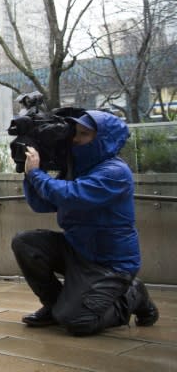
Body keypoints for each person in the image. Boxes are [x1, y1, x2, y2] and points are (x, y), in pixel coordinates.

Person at [12, 110, 159, 336]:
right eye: (75, 133)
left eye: (84, 134)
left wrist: (36, 176)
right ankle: (53, 305)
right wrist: (30, 170)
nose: (75, 139)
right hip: (77, 250)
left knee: (77, 321)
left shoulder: (115, 172)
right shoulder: (78, 168)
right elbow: (43, 205)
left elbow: (72, 195)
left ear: (103, 139)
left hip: (109, 265)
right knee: (25, 243)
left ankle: (133, 293)